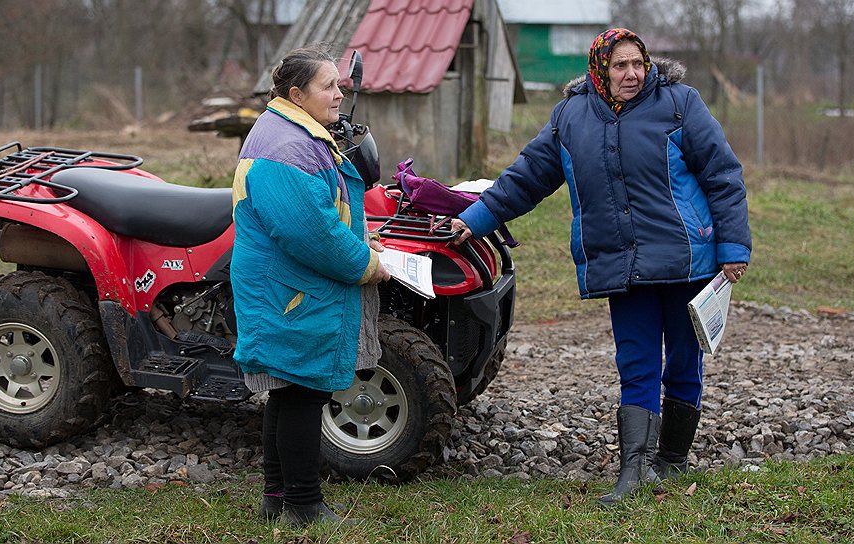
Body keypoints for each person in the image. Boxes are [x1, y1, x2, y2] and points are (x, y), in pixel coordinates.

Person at [452, 28, 751, 505]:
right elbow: (527, 178)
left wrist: (733, 246)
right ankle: (635, 470)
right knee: (635, 363)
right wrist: (474, 220)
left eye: (638, 64)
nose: (632, 74)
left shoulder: (680, 103)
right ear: (599, 70)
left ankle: (672, 460)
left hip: (687, 259)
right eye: (620, 65)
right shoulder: (571, 116)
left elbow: (722, 173)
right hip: (621, 263)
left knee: (683, 360)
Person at [230, 44, 390, 525]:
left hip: (289, 285)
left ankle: (277, 499)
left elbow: (322, 213)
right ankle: (303, 506)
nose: (339, 94)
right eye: (328, 86)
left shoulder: (294, 131)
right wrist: (368, 265)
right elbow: (313, 235)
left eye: (339, 84)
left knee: (287, 392)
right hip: (292, 289)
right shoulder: (287, 147)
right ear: (297, 94)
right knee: (303, 392)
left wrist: (360, 236)